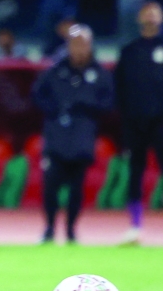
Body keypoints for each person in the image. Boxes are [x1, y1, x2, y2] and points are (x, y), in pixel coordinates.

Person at [114, 2, 163, 246]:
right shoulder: (129, 51)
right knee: (135, 173)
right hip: (135, 124)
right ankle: (135, 227)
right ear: (139, 18)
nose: (151, 17)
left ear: (162, 18)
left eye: (155, 13)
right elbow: (119, 87)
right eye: (147, 13)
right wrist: (128, 115)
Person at [32, 25, 114, 244]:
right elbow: (38, 94)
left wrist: (86, 107)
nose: (78, 49)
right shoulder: (55, 70)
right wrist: (54, 110)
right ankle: (49, 227)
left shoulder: (99, 73)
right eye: (74, 44)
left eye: (83, 44)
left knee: (77, 187)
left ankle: (70, 229)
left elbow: (109, 101)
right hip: (56, 136)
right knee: (51, 185)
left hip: (82, 137)